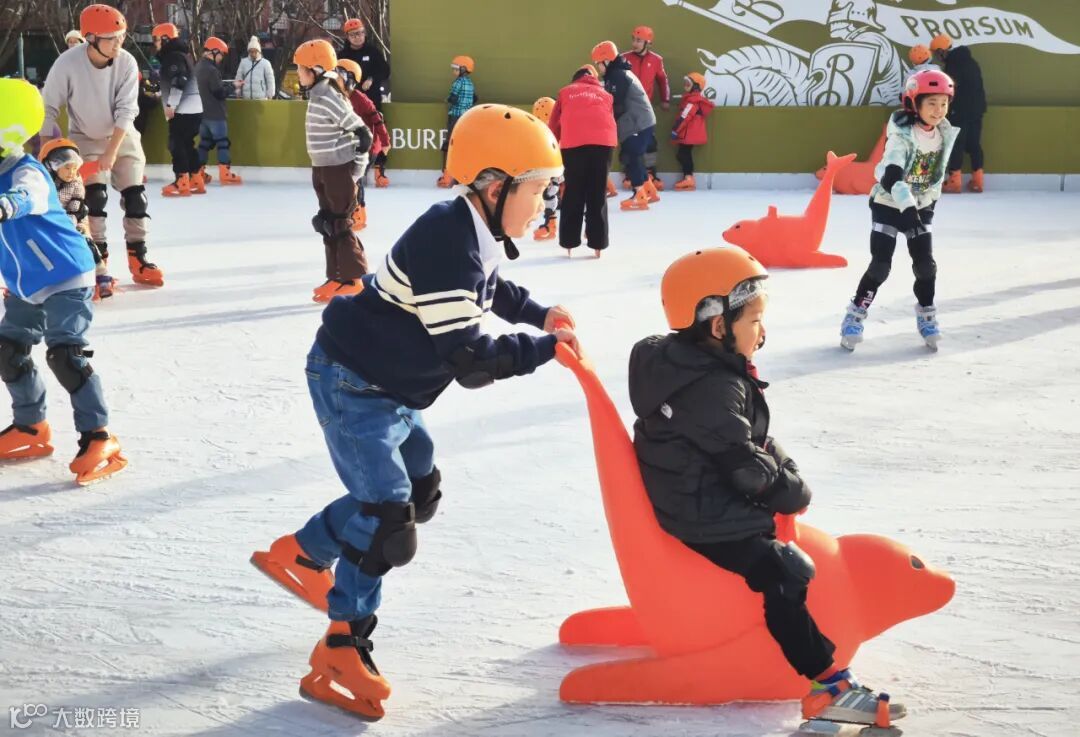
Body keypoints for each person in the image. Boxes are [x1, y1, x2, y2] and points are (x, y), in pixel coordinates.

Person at [251, 103, 579, 721]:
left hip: (392, 385)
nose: (544, 204)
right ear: (494, 186)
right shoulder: (446, 243)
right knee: (389, 522)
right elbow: (472, 361)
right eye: (537, 190)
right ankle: (342, 646)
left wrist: (537, 314)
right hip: (355, 383)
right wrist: (543, 349)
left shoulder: (472, 231)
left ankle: (303, 551)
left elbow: (490, 288)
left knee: (419, 494)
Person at [630, 246, 906, 729]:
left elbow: (750, 441)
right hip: (701, 513)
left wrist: (783, 471)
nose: (762, 332)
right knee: (785, 571)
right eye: (754, 320)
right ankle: (828, 686)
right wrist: (791, 491)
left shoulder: (691, 367)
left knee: (788, 554)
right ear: (718, 325)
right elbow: (746, 467)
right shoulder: (710, 386)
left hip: (696, 494)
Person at [0, 78, 126, 485]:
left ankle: (99, 436)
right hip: (27, 283)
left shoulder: (27, 171)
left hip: (65, 274)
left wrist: (6, 205)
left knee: (65, 355)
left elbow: (27, 198)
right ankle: (31, 426)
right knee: (7, 350)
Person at [42, 4, 164, 288]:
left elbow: (127, 110)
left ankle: (139, 258)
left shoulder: (126, 62)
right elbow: (48, 108)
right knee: (93, 200)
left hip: (123, 135)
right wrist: (46, 151)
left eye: (121, 36)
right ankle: (98, 261)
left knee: (136, 198)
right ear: (91, 38)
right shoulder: (67, 64)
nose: (119, 43)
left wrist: (111, 152)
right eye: (112, 38)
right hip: (85, 136)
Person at [840, 70, 958, 352]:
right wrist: (906, 207)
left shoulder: (943, 133)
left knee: (925, 265)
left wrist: (927, 203)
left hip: (919, 206)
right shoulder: (902, 134)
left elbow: (934, 176)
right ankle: (855, 315)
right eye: (931, 103)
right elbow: (891, 175)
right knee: (881, 266)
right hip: (889, 204)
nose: (938, 110)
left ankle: (927, 316)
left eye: (943, 103)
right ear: (914, 103)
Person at [294, 40, 372, 303]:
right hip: (323, 167)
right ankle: (336, 276)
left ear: (316, 69)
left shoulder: (329, 96)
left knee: (340, 223)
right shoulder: (318, 95)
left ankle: (354, 279)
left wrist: (356, 172)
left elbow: (362, 134)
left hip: (338, 169)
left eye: (301, 69)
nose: (298, 74)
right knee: (327, 223)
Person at [547, 65, 617, 256]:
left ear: (575, 79)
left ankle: (569, 242)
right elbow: (610, 121)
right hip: (604, 144)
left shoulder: (565, 92)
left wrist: (552, 149)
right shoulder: (606, 95)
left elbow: (553, 124)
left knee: (573, 191)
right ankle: (598, 244)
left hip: (573, 144)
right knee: (597, 192)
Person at [38, 139, 116, 300]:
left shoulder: (75, 183)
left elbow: (76, 206)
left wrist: (67, 223)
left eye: (74, 168)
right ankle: (27, 282)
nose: (71, 172)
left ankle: (101, 275)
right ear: (51, 166)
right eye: (67, 168)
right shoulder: (41, 183)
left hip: (72, 221)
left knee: (85, 242)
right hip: (46, 222)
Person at [592, 41, 658, 212]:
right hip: (640, 121)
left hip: (636, 123)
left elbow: (616, 103)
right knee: (635, 156)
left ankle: (639, 195)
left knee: (631, 156)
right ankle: (650, 191)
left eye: (599, 63)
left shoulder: (617, 76)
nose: (598, 67)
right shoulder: (619, 73)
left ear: (607, 60)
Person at [336, 58, 390, 232]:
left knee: (355, 179)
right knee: (350, 179)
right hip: (353, 146)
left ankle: (358, 214)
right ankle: (352, 211)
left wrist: (385, 141)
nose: (335, 79)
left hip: (369, 147)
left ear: (350, 79)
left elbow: (377, 118)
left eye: (339, 76)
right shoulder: (339, 98)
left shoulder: (359, 98)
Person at [153, 22, 204, 197]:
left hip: (183, 109)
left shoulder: (173, 57)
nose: (155, 44)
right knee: (187, 144)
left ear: (165, 39)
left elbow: (180, 80)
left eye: (157, 39)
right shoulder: (181, 55)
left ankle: (181, 180)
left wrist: (171, 104)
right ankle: (196, 178)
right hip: (194, 108)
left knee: (176, 144)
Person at [931, 34, 987, 193]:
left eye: (937, 53)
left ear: (942, 51)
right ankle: (978, 180)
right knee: (974, 144)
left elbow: (951, 88)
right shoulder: (971, 61)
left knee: (957, 144)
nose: (937, 57)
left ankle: (954, 181)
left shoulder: (953, 65)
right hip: (977, 109)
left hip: (960, 110)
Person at [339, 18, 391, 187]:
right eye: (353, 35)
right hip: (349, 103)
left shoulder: (373, 51)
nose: (358, 37)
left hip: (371, 101)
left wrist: (372, 79)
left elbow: (385, 70)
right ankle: (352, 172)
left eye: (360, 33)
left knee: (376, 135)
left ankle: (379, 170)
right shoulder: (342, 56)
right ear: (347, 37)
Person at [621, 25, 670, 188]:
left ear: (648, 43)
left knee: (649, 142)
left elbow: (663, 80)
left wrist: (665, 99)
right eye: (633, 39)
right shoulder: (623, 58)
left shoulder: (656, 60)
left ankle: (650, 173)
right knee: (628, 141)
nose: (634, 43)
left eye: (639, 40)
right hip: (627, 108)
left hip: (645, 109)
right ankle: (629, 173)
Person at [195, 36, 243, 188]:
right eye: (221, 54)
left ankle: (198, 173)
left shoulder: (198, 67)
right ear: (214, 51)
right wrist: (234, 86)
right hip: (216, 115)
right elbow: (219, 92)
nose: (221, 58)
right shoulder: (212, 70)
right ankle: (225, 173)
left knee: (204, 144)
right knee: (222, 143)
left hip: (202, 115)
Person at [437, 55, 476, 188]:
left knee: (450, 143)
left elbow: (452, 98)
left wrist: (447, 100)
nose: (453, 71)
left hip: (455, 116)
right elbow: (474, 98)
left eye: (456, 68)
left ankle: (447, 176)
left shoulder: (458, 82)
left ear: (463, 69)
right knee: (463, 145)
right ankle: (462, 175)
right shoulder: (470, 83)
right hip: (467, 117)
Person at [670, 72, 714, 191]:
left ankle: (689, 178)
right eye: (685, 83)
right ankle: (688, 177)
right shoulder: (692, 99)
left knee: (683, 155)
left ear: (696, 87)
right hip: (689, 133)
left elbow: (685, 117)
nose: (685, 86)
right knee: (683, 154)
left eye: (688, 84)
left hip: (688, 134)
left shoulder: (692, 101)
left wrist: (675, 130)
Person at [235, 36, 276, 100]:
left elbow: (270, 80)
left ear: (259, 51)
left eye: (255, 51)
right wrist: (238, 93)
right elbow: (239, 78)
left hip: (261, 99)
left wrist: (270, 94)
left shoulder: (265, 63)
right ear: (248, 52)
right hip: (246, 99)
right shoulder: (243, 62)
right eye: (251, 51)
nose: (253, 53)